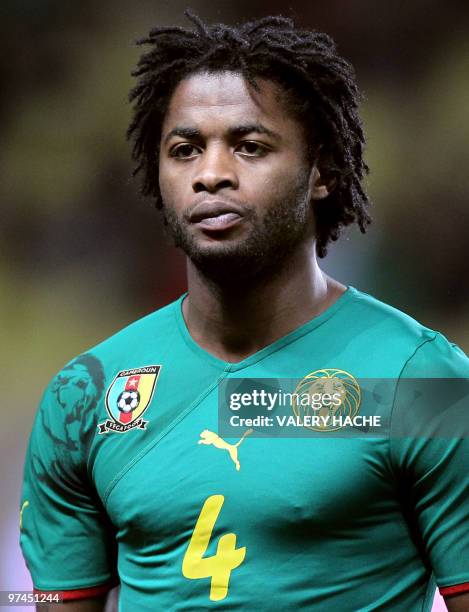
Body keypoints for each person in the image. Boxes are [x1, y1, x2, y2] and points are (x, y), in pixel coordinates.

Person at [19, 12, 469, 612]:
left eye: (249, 146)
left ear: (322, 171)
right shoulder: (85, 398)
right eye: (185, 149)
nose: (211, 174)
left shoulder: (420, 384)